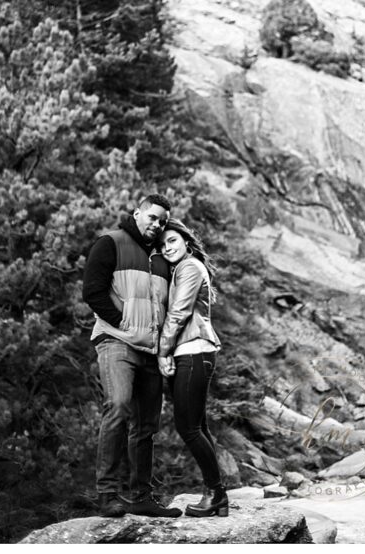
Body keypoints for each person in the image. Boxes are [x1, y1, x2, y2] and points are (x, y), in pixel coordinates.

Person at [82, 194, 181, 518]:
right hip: (117, 342)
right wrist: (120, 320)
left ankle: (141, 497)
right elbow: (92, 290)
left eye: (163, 221)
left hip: (151, 352)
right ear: (137, 213)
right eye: (152, 217)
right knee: (119, 406)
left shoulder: (164, 258)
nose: (157, 224)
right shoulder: (111, 243)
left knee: (147, 425)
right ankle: (108, 494)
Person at [156, 219, 226, 517]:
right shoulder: (184, 269)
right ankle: (216, 494)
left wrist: (163, 352)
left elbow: (179, 312)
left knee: (188, 427)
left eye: (172, 240)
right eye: (162, 245)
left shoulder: (189, 268)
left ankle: (216, 493)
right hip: (194, 351)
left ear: (186, 240)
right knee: (198, 427)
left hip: (194, 351)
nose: (167, 248)